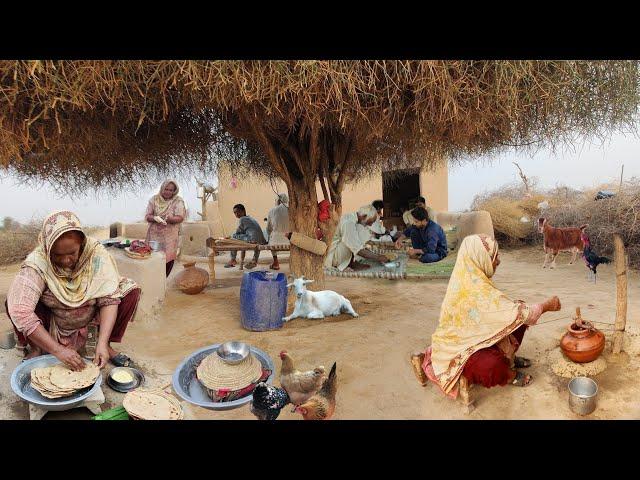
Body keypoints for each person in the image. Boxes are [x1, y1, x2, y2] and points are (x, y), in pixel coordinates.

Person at [410, 234, 561, 394]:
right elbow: (521, 314)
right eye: (494, 256)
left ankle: (508, 359)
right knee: (490, 365)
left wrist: (525, 310)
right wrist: (546, 306)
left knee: (518, 313)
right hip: (461, 349)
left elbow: (505, 312)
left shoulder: (475, 279)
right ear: (479, 258)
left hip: (476, 337)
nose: (498, 261)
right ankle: (508, 374)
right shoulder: (471, 286)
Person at [5, 211, 141, 371]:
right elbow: (21, 311)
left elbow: (109, 298)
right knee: (15, 301)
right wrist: (58, 351)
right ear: (48, 248)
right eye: (57, 255)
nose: (65, 260)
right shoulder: (38, 261)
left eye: (72, 253)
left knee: (129, 291)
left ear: (81, 246)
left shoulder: (95, 254)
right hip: (55, 318)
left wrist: (103, 343)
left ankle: (105, 345)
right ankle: (37, 348)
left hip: (91, 314)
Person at [324, 205, 390, 271]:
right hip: (333, 258)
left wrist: (376, 255)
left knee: (356, 237)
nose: (370, 225)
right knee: (354, 241)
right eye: (370, 222)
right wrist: (378, 257)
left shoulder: (352, 218)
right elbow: (358, 249)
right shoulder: (349, 223)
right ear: (364, 216)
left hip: (337, 251)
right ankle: (345, 265)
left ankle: (352, 263)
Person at [145, 179, 186, 277]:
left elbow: (180, 217)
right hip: (154, 237)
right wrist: (155, 218)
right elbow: (147, 216)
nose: (168, 192)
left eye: (171, 190)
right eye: (166, 189)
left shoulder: (177, 201)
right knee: (153, 259)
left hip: (170, 238)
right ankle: (154, 283)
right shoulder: (154, 199)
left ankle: (162, 283)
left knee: (168, 260)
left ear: (174, 191)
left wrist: (168, 219)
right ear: (162, 188)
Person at [224, 204, 267, 270]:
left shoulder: (242, 219)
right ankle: (254, 260)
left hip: (252, 239)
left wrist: (231, 236)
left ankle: (233, 259)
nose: (236, 214)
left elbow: (238, 232)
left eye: (238, 212)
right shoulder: (250, 218)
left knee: (234, 237)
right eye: (235, 212)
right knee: (254, 241)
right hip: (261, 240)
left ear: (243, 211)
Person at [266, 193, 290, 270]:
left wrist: (270, 236)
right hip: (291, 240)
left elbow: (268, 229)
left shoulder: (272, 211)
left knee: (272, 237)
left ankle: (276, 262)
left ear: (278, 201)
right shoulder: (293, 209)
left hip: (275, 242)